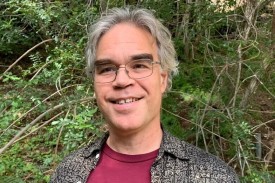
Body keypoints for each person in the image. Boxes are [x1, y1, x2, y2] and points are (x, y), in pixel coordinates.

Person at [50, 7, 239, 183]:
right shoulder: (68, 173)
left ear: (163, 79)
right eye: (107, 69)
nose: (122, 80)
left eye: (139, 66)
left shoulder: (213, 176)